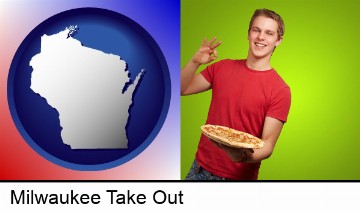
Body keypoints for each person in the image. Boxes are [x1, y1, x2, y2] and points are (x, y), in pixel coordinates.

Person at [181, 8, 291, 180]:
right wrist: (195, 61)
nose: (261, 37)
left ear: (278, 40)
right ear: (248, 34)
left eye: (269, 33)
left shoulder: (280, 90)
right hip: (199, 169)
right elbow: (182, 88)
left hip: (237, 178)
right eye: (256, 30)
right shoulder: (222, 67)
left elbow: (268, 145)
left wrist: (241, 156)